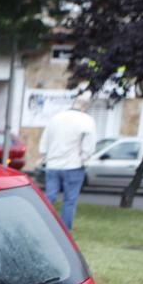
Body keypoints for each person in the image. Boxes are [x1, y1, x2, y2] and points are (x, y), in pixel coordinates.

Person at [39, 93, 96, 230]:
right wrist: (84, 159)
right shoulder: (87, 120)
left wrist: (45, 156)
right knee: (70, 201)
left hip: (52, 165)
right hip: (73, 165)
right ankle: (65, 230)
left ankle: (43, 225)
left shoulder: (56, 118)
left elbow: (44, 141)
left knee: (49, 197)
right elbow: (88, 146)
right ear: (86, 106)